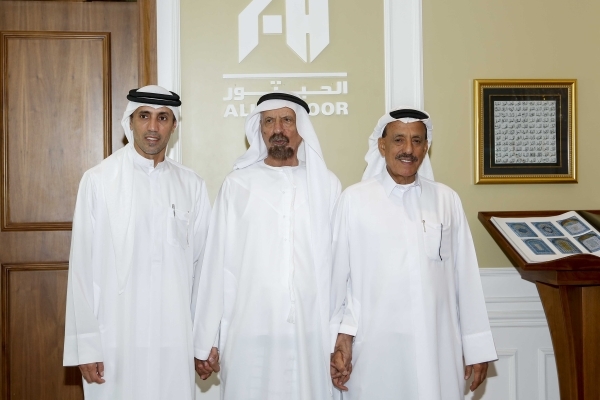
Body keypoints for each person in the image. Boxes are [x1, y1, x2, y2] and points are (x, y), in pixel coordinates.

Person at [329, 108, 497, 399]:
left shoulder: (447, 200)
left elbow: (466, 278)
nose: (408, 149)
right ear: (382, 146)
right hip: (376, 348)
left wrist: (477, 348)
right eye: (399, 140)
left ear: (426, 147)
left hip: (437, 346)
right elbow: (338, 280)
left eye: (417, 141)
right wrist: (340, 338)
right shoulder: (354, 200)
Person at [63, 86, 211, 400]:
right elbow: (81, 270)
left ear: (174, 125)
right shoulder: (99, 180)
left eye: (163, 118)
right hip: (115, 336)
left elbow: (203, 269)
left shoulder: (192, 185)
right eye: (144, 116)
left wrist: (204, 340)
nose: (153, 127)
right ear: (130, 121)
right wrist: (86, 346)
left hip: (174, 336)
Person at [193, 92, 341, 399]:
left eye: (287, 120)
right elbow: (216, 264)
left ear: (302, 127)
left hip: (311, 333)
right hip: (250, 330)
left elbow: (341, 267)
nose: (278, 129)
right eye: (269, 121)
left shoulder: (327, 185)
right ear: (259, 129)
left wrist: (339, 336)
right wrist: (206, 339)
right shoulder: (238, 185)